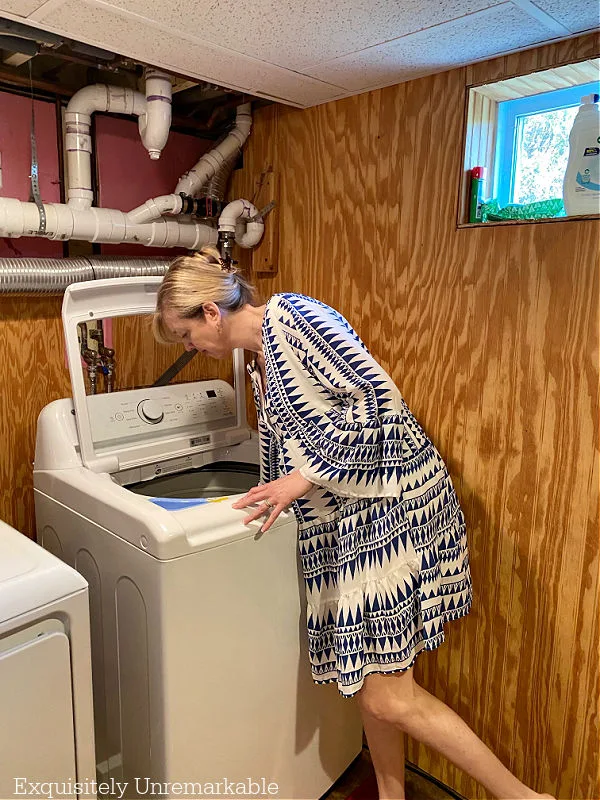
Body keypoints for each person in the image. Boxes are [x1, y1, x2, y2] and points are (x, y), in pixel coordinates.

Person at [152, 247, 555, 800]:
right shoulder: (260, 359)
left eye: (185, 334)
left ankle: (526, 799)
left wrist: (303, 479)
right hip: (356, 519)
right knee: (374, 689)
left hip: (395, 507)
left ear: (211, 312)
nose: (190, 348)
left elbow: (381, 402)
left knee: (388, 696)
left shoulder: (295, 318)